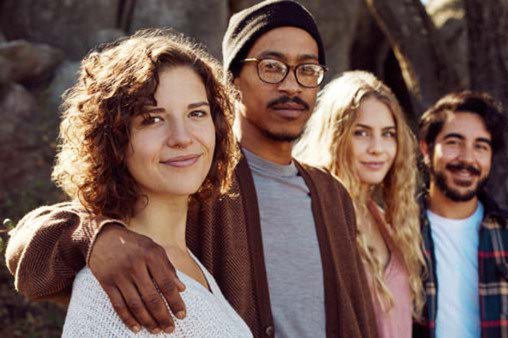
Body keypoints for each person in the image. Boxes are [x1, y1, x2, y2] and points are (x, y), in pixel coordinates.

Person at [5, 1, 377, 337]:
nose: (291, 84)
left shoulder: (330, 193)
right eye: (271, 67)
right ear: (231, 82)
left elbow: (356, 311)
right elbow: (31, 247)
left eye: (307, 70)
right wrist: (95, 236)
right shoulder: (199, 180)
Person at [44, 29, 250, 336]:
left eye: (196, 113)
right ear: (112, 139)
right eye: (152, 118)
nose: (182, 138)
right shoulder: (115, 285)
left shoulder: (187, 258)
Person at [413, 91, 508, 338]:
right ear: (426, 149)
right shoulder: (396, 229)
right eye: (454, 142)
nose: (467, 158)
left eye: (481, 146)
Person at [295, 70, 426, 338]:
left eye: (388, 134)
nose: (377, 148)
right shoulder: (314, 214)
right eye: (362, 133)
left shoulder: (384, 219)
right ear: (336, 137)